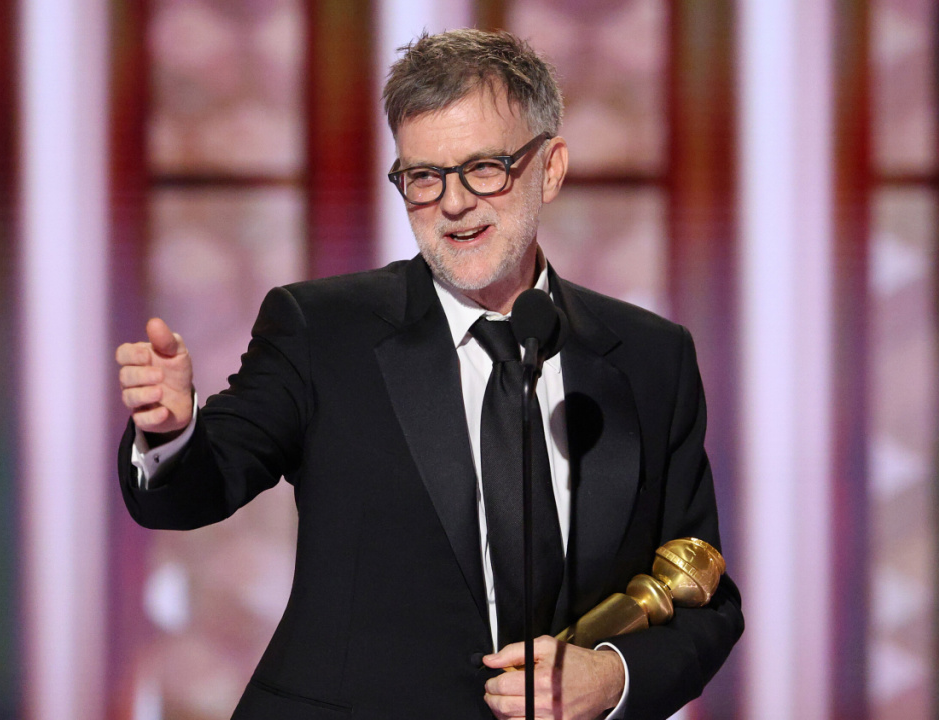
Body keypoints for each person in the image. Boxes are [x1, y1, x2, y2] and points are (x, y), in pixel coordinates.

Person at [115, 29, 742, 720]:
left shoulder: (651, 356)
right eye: (424, 176)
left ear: (551, 168)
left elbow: (703, 596)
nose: (453, 203)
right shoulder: (324, 329)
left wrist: (611, 678)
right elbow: (199, 485)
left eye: (484, 168)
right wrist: (172, 435)